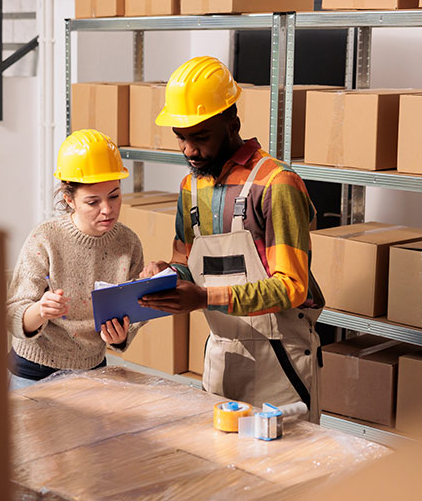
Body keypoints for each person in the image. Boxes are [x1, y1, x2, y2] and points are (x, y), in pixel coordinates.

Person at [138, 56, 325, 421]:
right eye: (181, 138)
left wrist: (206, 298)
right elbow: (187, 265)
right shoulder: (191, 187)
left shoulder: (275, 184)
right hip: (223, 356)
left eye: (201, 137)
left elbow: (292, 288)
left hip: (281, 362)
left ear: (232, 124)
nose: (189, 151)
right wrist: (167, 275)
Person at [6, 129, 145, 390]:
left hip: (91, 370)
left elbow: (129, 319)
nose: (108, 209)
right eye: (93, 202)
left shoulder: (129, 244)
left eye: (114, 195)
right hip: (33, 372)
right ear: (69, 199)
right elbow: (13, 313)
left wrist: (119, 335)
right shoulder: (45, 238)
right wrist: (40, 310)